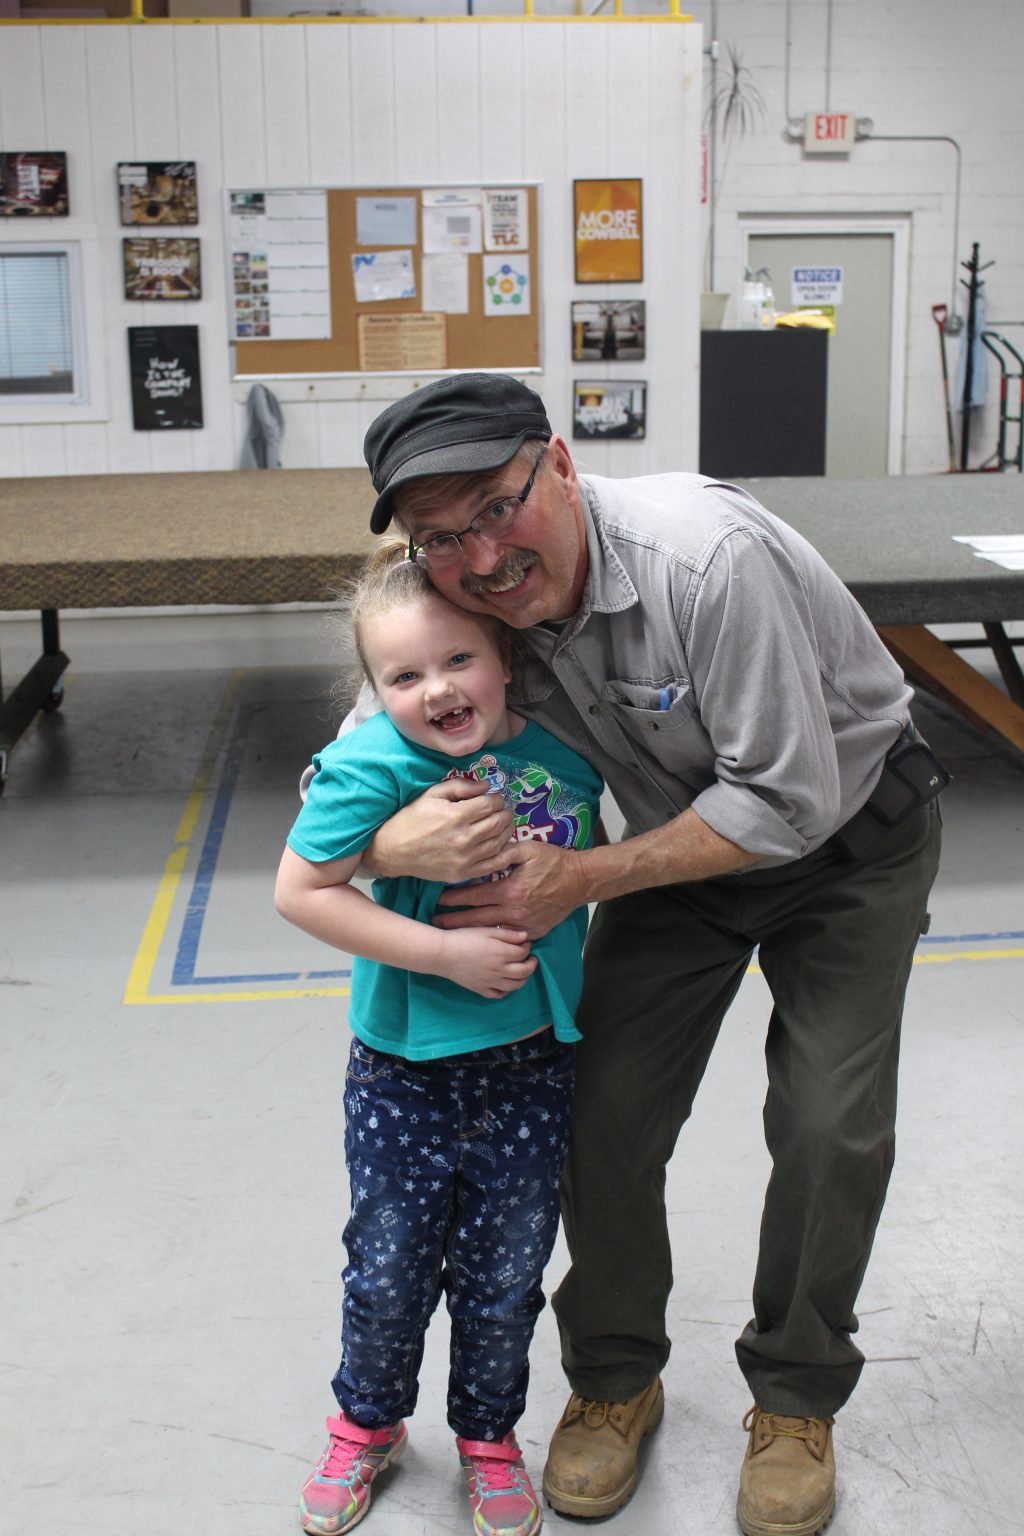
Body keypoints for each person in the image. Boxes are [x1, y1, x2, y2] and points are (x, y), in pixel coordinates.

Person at [348, 373, 945, 1536]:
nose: (482, 556)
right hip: (679, 850)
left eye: (497, 505)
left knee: (828, 1123)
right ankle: (615, 1376)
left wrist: (584, 877)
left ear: (561, 466)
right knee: (598, 1107)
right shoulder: (464, 593)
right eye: (441, 536)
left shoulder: (707, 562)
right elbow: (365, 753)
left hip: (846, 843)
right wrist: (383, 841)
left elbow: (784, 800)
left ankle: (796, 1397)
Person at [275, 544, 604, 1536]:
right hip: (402, 1071)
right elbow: (301, 891)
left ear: (505, 658)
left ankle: (489, 1437)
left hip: (532, 1061)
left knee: (506, 1275)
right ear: (374, 691)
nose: (438, 690)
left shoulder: (566, 758)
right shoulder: (369, 766)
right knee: (389, 1267)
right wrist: (444, 955)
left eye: (459, 660)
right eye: (405, 675)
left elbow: (598, 864)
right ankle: (366, 1423)